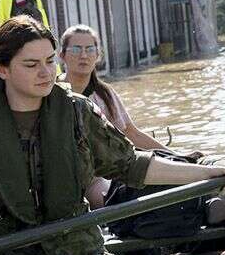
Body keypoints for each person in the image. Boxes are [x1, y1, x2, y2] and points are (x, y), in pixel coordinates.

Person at [0, 16, 225, 255]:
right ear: (2, 69)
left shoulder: (77, 110)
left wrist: (204, 172)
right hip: (8, 253)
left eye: (50, 61)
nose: (45, 73)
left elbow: (131, 164)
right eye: (31, 64)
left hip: (77, 247)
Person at [57, 24, 174, 208]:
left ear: (98, 55)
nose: (83, 55)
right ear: (62, 55)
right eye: (76, 49)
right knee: (113, 198)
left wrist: (174, 156)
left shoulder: (104, 94)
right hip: (79, 181)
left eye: (90, 49)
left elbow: (131, 134)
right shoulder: (53, 94)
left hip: (112, 171)